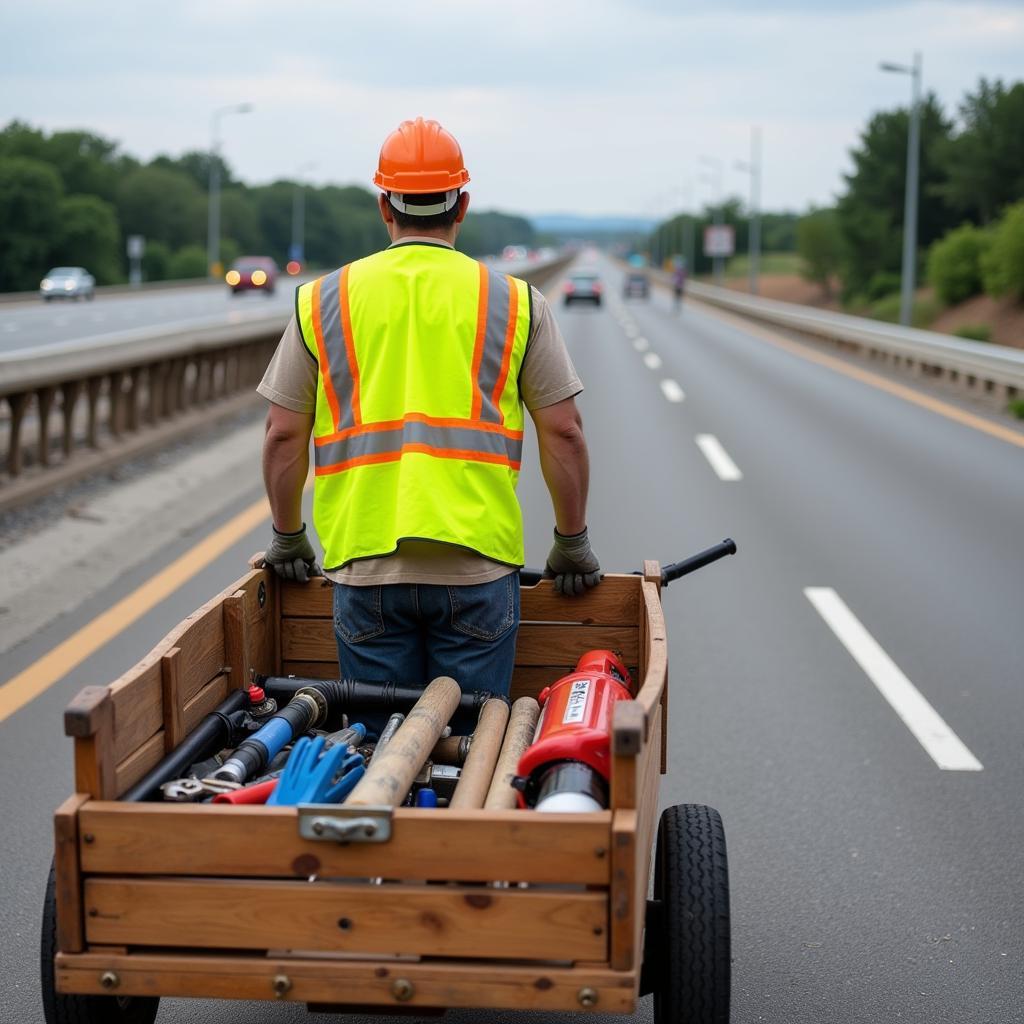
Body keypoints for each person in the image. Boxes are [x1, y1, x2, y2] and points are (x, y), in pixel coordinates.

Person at [257, 117, 601, 716]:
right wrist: (571, 541)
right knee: (470, 751)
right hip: (476, 568)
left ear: (383, 204)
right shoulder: (514, 301)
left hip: (365, 568)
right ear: (462, 204)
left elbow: (283, 433)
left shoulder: (323, 299)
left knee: (373, 752)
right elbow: (564, 432)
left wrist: (289, 537)